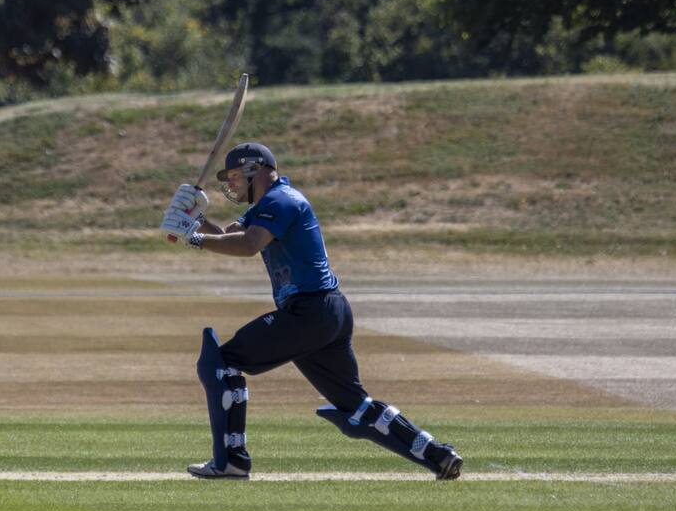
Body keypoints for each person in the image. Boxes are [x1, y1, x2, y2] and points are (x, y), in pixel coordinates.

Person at [159, 142, 463, 481]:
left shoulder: (281, 200)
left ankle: (231, 461)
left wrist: (194, 238)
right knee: (356, 408)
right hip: (326, 312)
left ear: (253, 169)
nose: (230, 185)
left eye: (233, 176)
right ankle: (437, 455)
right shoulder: (267, 204)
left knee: (220, 362)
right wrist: (196, 220)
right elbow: (231, 235)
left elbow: (247, 246)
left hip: (309, 312)